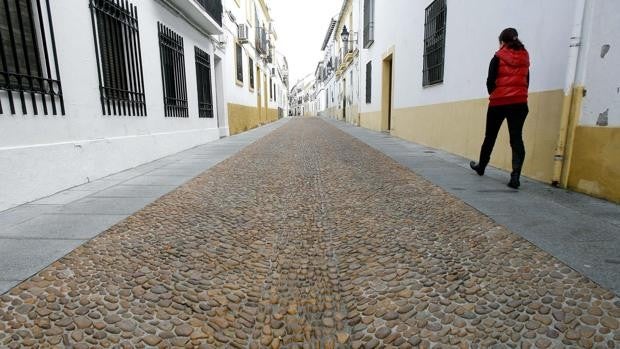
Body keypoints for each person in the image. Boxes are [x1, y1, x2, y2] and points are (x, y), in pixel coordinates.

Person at [470, 28, 530, 189]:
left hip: (499, 102)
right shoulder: (525, 57)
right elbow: (526, 80)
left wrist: (495, 93)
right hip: (519, 103)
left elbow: (490, 80)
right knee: (516, 138)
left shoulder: (498, 57)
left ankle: (481, 166)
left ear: (502, 41)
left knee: (490, 136)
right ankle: (515, 176)